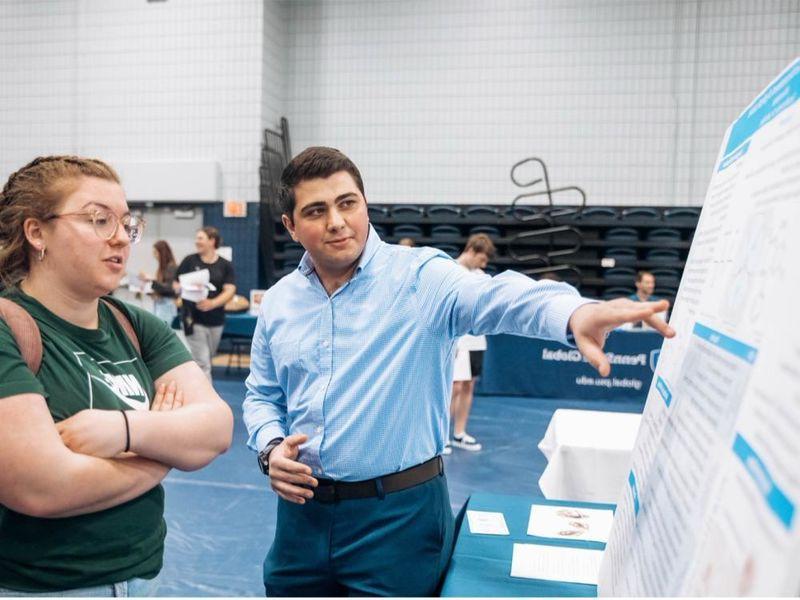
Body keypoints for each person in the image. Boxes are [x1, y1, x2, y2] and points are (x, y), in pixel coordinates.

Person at [243, 147, 674, 597]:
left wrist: (574, 313)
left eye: (347, 203)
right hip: (301, 517)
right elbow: (261, 395)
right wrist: (270, 447)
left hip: (397, 520)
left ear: (365, 204)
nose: (336, 221)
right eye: (316, 210)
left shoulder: (421, 278)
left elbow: (499, 298)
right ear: (291, 226)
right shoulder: (279, 302)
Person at [0, 156, 233, 596]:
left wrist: (124, 430)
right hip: (44, 587)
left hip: (140, 579)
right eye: (98, 220)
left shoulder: (134, 324)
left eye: (127, 224)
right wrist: (162, 450)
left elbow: (216, 428)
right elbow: (41, 486)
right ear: (36, 233)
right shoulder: (9, 327)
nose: (120, 239)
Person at [448, 233, 496, 453]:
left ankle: (459, 433)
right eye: (482, 259)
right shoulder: (451, 271)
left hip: (477, 340)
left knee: (469, 386)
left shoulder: (482, 277)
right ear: (472, 251)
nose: (483, 264)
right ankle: (442, 437)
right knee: (454, 387)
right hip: (458, 339)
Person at [176, 227, 236, 380]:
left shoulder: (225, 265)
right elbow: (176, 283)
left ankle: (193, 388)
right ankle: (206, 398)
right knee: (203, 363)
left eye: (200, 238)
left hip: (216, 320)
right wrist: (182, 289)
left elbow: (230, 290)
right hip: (193, 318)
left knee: (207, 358)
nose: (197, 241)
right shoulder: (189, 261)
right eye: (196, 238)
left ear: (212, 241)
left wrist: (213, 303)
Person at [140, 240, 178, 325]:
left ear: (162, 253)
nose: (154, 256)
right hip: (161, 304)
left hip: (167, 306)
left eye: (156, 253)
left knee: (161, 332)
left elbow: (169, 288)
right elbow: (162, 288)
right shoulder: (162, 268)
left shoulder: (171, 268)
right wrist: (151, 291)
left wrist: (151, 280)